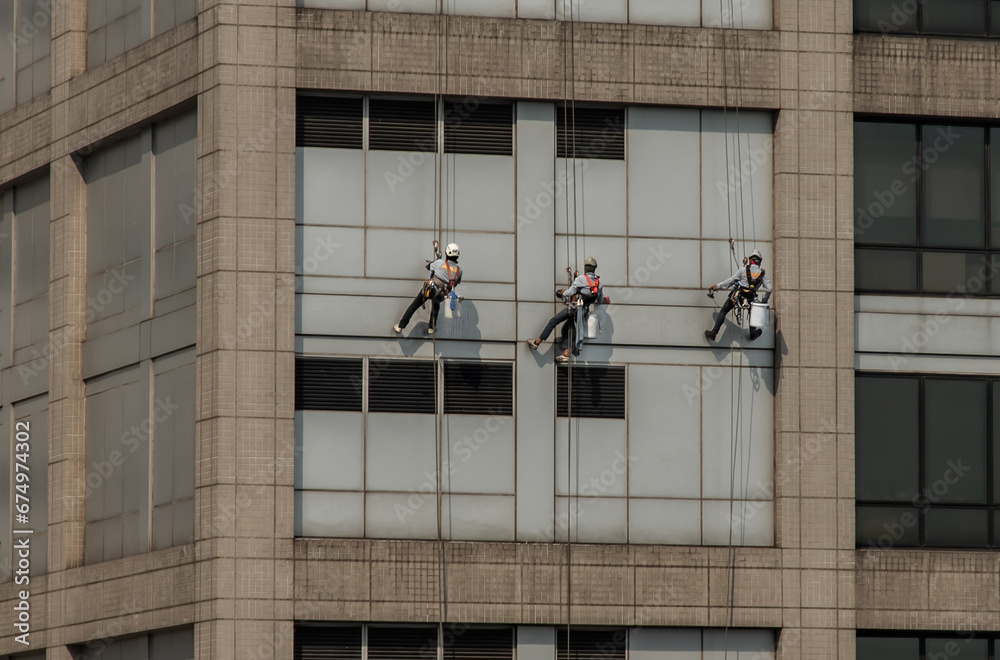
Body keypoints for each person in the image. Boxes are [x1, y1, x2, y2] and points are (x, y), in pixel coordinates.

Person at [527, 256, 610, 363]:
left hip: (575, 307)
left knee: (553, 321)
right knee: (567, 328)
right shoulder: (599, 284)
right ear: (595, 268)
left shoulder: (581, 279)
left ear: (585, 267)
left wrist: (561, 292)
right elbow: (599, 300)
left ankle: (537, 343)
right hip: (584, 311)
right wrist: (605, 300)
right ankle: (566, 354)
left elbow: (570, 292)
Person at [394, 242, 462, 335]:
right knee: (435, 307)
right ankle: (431, 327)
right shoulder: (459, 271)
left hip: (430, 290)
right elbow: (456, 283)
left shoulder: (439, 263)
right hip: (442, 293)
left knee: (414, 306)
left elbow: (428, 267)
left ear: (447, 253)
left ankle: (400, 326)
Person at [705, 249, 772, 342]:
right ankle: (753, 333)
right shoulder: (762, 274)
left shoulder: (743, 270)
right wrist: (765, 300)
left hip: (738, 296)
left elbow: (731, 280)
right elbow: (769, 289)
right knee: (753, 315)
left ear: (750, 260)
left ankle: (714, 333)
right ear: (760, 261)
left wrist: (718, 286)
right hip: (750, 298)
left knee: (724, 311)